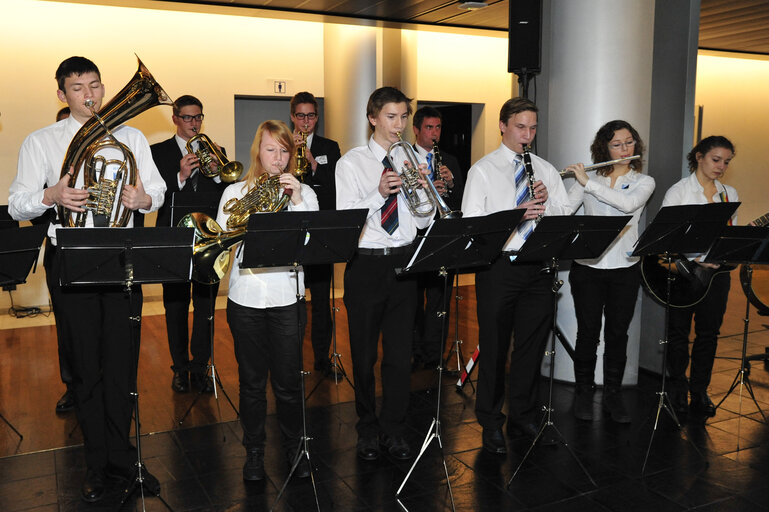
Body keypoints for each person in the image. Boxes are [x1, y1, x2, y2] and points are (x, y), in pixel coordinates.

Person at [8, 56, 166, 503]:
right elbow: (17, 202)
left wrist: (142, 197)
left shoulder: (131, 135)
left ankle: (125, 458)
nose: (90, 95)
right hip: (71, 256)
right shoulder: (41, 141)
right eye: (78, 88)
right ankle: (96, 464)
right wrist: (51, 194)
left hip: (122, 256)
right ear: (62, 95)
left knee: (122, 364)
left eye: (95, 85)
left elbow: (158, 190)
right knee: (85, 367)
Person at [461, 97, 571, 455]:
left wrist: (548, 201)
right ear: (503, 126)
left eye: (533, 127)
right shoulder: (482, 170)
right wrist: (515, 213)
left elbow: (563, 215)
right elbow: (472, 224)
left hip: (538, 266)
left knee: (530, 347)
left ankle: (523, 414)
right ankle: (491, 421)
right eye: (521, 127)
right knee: (494, 348)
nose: (528, 134)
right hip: (499, 267)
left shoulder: (545, 169)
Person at [336, 86, 434, 461]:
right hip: (366, 264)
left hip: (405, 262)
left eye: (404, 117)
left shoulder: (413, 160)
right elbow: (347, 218)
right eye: (391, 117)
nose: (399, 125)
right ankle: (367, 427)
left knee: (398, 354)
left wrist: (423, 190)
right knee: (363, 356)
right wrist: (379, 193)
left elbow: (424, 219)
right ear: (373, 118)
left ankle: (393, 427)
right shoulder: (352, 163)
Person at [219, 120, 318, 481]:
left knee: (289, 383)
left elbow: (313, 241)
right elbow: (223, 244)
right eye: (270, 150)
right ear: (258, 152)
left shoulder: (305, 194)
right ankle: (255, 453)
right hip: (245, 298)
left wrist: (295, 200)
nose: (277, 158)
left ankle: (294, 447)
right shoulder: (233, 194)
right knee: (251, 383)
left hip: (287, 297)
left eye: (284, 151)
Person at [562, 120, 655, 423]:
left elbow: (627, 206)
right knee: (587, 333)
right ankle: (583, 394)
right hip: (587, 267)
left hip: (624, 268)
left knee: (617, 333)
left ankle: (613, 396)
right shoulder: (586, 179)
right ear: (604, 148)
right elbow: (563, 211)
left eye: (629, 142)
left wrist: (588, 183)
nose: (625, 149)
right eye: (617, 144)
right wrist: (551, 187)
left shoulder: (644, 182)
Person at [151, 95, 228, 394]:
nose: (194, 123)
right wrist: (180, 176)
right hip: (174, 238)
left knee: (206, 306)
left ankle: (201, 366)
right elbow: (154, 197)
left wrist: (220, 174)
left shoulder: (215, 151)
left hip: (208, 238)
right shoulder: (158, 152)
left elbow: (224, 192)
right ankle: (180, 368)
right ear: (175, 118)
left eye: (198, 117)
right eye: (187, 118)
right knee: (176, 307)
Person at [661, 135, 738, 419]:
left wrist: (724, 253)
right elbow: (668, 238)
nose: (721, 166)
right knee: (678, 333)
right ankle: (677, 388)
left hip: (717, 276)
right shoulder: (679, 192)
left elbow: (728, 236)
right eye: (716, 159)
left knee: (709, 333)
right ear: (699, 157)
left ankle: (700, 389)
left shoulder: (729, 193)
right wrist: (698, 260)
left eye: (726, 162)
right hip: (684, 273)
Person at [289, 92, 342, 376]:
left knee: (321, 301)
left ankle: (322, 358)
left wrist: (312, 163)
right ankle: (291, 360)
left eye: (311, 116)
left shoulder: (329, 147)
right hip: (293, 232)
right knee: (292, 300)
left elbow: (336, 187)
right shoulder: (282, 143)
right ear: (292, 117)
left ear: (317, 117)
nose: (306, 121)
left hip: (320, 231)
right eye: (300, 116)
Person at [410, 106, 464, 369]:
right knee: (413, 300)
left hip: (442, 236)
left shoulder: (449, 161)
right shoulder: (406, 158)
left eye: (438, 127)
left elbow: (462, 201)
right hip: (415, 236)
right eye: (429, 128)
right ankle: (415, 352)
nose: (434, 133)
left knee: (439, 300)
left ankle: (434, 355)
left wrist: (450, 185)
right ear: (417, 130)